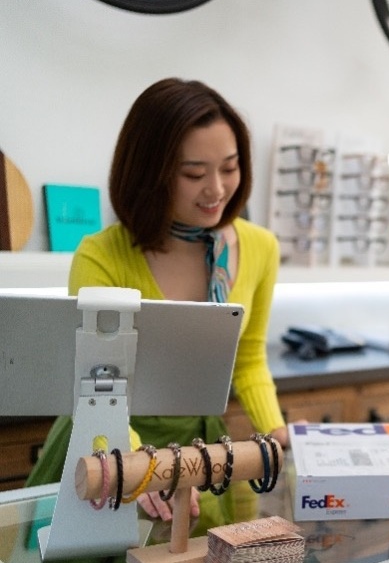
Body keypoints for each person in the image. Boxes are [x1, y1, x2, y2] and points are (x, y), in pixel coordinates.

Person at [27, 77, 290, 532]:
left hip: (200, 454)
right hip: (105, 450)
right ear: (151, 172)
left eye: (229, 168)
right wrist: (138, 466)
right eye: (193, 174)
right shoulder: (101, 256)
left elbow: (247, 359)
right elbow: (95, 387)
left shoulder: (260, 247)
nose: (216, 189)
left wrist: (278, 432)